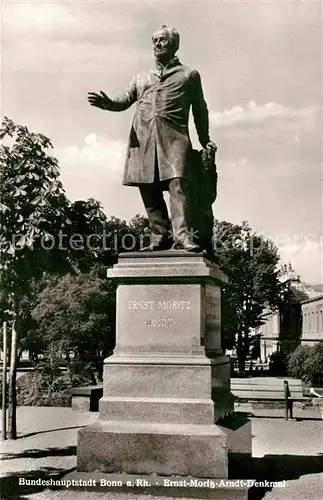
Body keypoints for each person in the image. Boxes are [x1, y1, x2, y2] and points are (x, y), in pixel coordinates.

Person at [88, 25, 216, 251]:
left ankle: (183, 235)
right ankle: (159, 236)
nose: (157, 44)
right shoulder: (141, 77)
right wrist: (108, 104)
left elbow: (200, 109)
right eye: (154, 41)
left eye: (162, 40)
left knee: (178, 183)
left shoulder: (188, 75)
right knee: (148, 187)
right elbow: (125, 99)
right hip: (144, 139)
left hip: (175, 139)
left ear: (174, 45)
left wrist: (205, 139)